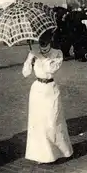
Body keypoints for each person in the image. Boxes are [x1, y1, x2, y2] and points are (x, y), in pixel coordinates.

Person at [22, 29, 73, 163]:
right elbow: (25, 73)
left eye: (45, 42)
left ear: (50, 41)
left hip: (51, 89)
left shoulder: (57, 53)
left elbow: (51, 69)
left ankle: (59, 151)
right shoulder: (33, 53)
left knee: (53, 121)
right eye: (40, 42)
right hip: (37, 90)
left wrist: (40, 58)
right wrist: (29, 61)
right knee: (39, 123)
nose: (42, 45)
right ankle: (43, 155)